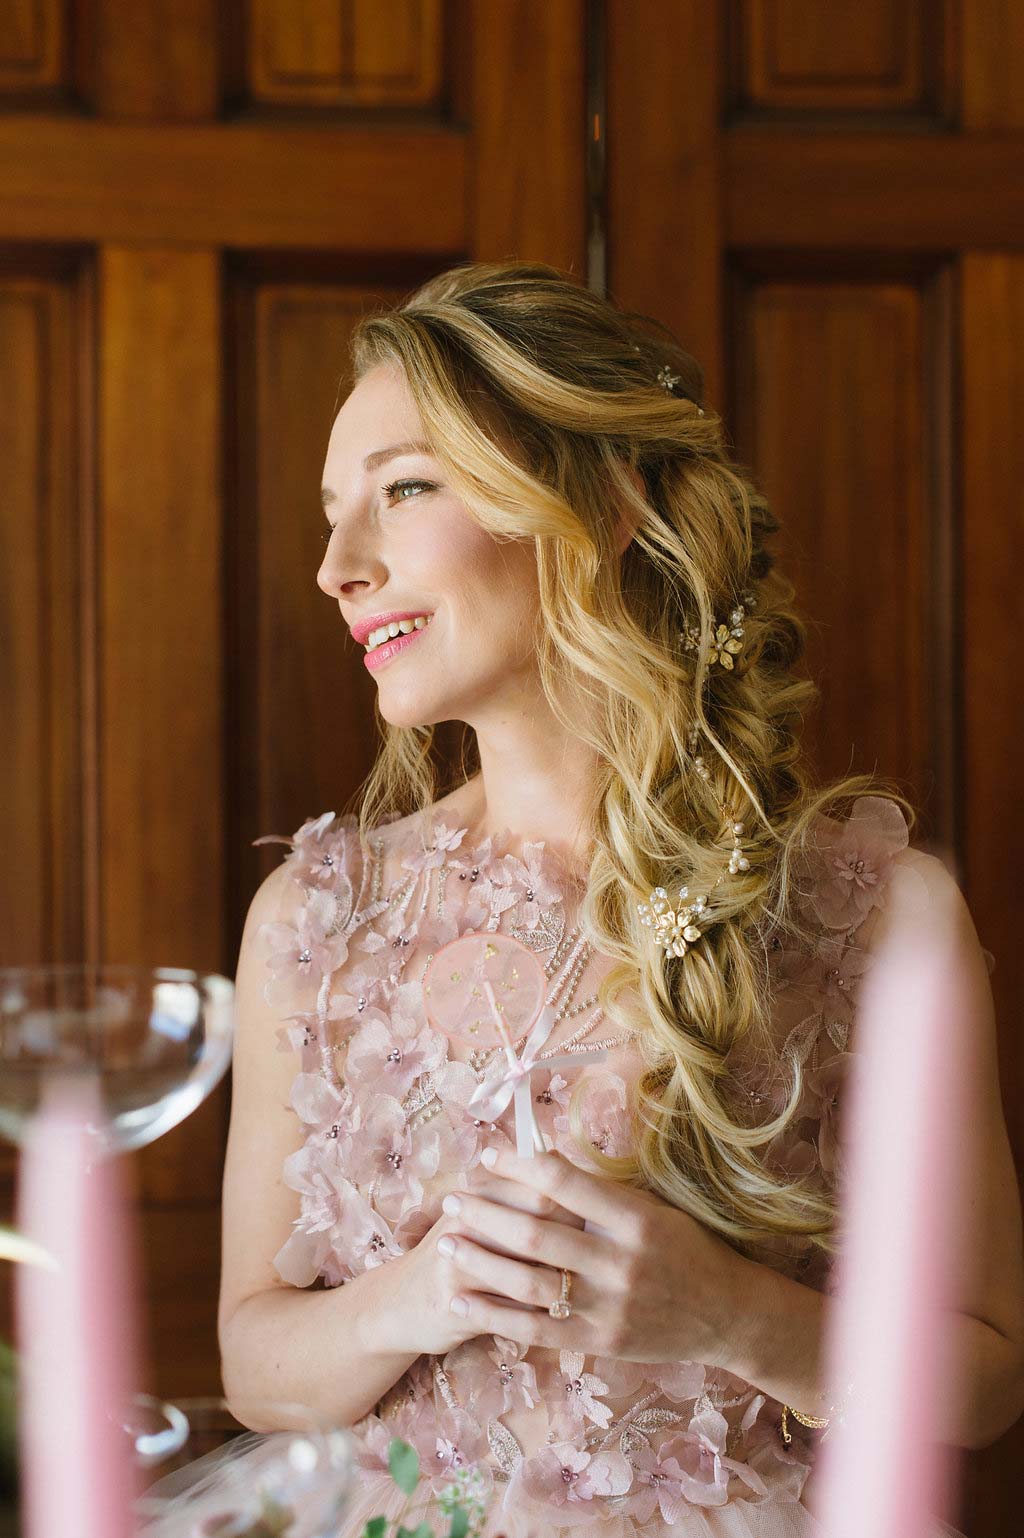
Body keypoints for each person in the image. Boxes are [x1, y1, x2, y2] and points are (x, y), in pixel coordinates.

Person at [175, 263, 1024, 1536]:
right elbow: (257, 1362)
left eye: (403, 489)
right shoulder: (313, 914)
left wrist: (733, 1315)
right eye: (333, 511)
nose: (336, 566)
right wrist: (419, 1293)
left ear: (600, 504)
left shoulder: (872, 913)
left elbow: (988, 1376)